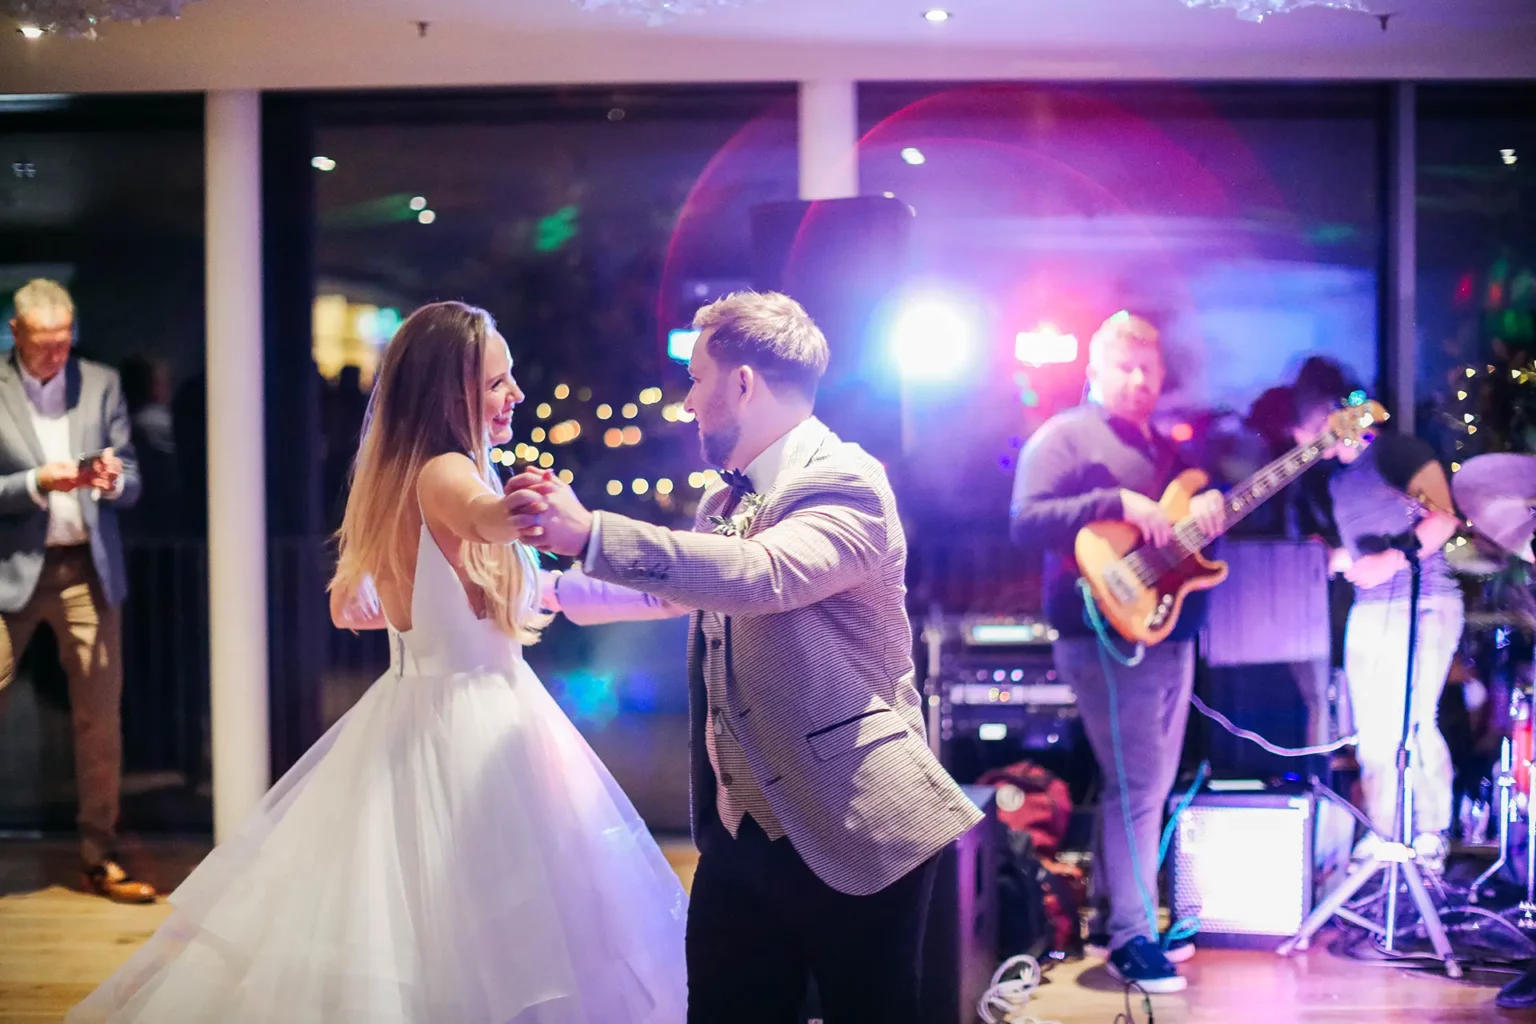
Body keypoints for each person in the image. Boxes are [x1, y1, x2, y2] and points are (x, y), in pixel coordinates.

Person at [68, 301, 687, 1023]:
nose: (515, 394)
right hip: (471, 726)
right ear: (448, 391)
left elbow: (362, 602)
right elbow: (487, 519)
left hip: (432, 711)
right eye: (497, 382)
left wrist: (663, 591)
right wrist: (527, 508)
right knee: (498, 931)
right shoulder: (449, 474)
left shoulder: (407, 475)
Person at [514, 290, 983, 1024]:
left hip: (854, 823)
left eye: (698, 379)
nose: (689, 402)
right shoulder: (721, 505)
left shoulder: (848, 482)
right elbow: (682, 593)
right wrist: (539, 588)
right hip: (741, 838)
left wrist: (592, 533)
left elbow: (760, 577)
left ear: (742, 383)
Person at [1009, 311, 1224, 994]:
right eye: (1124, 368)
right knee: (1137, 785)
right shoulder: (1064, 437)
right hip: (1099, 630)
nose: (1138, 381)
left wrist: (1208, 514)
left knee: (1144, 785)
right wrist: (1117, 502)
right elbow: (1024, 522)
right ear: (1094, 372)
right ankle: (1133, 938)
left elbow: (1184, 542)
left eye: (1148, 371)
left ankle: (1112, 920)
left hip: (1166, 631)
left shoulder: (1166, 450)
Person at [0, 279, 152, 903]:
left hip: (86, 569)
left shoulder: (102, 381)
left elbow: (135, 479)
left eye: (64, 343)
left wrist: (113, 482)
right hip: (9, 569)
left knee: (99, 718)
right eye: (43, 346)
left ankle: (99, 856)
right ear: (16, 334)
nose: (56, 357)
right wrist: (38, 481)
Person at [1287, 385, 1463, 872]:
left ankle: (1430, 832)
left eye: (1306, 436)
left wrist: (1390, 559)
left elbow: (1444, 519)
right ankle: (1386, 834)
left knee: (1412, 719)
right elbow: (1361, 553)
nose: (1304, 449)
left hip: (1424, 600)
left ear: (1328, 421)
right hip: (1373, 606)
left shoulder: (1396, 451)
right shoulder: (1336, 482)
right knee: (1372, 731)